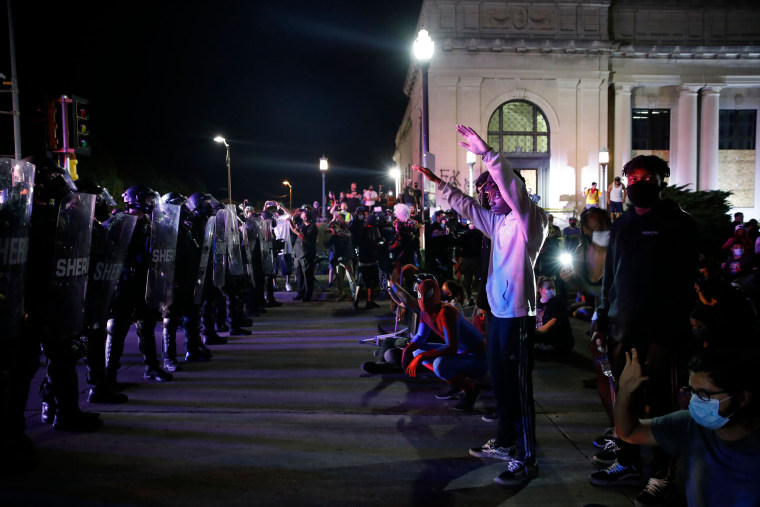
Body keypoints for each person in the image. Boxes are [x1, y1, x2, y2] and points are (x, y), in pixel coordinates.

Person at [414, 124, 547, 487]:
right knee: (502, 385)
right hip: (500, 315)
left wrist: (487, 155)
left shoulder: (529, 219)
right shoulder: (498, 222)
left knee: (519, 390)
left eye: (493, 186)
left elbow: (513, 192)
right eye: (486, 187)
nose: (487, 192)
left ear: (511, 188)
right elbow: (468, 207)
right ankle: (506, 442)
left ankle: (527, 457)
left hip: (519, 316)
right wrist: (438, 185)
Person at [590, 155, 698, 506]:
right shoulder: (622, 225)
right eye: (632, 178)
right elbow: (610, 278)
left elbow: (684, 285)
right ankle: (628, 460)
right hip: (624, 329)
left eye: (646, 177)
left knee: (664, 405)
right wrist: (602, 320)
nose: (638, 183)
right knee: (627, 399)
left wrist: (668, 337)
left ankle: (663, 473)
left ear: (662, 180)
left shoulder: (679, 223)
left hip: (661, 335)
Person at [614, 347, 760, 507]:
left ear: (743, 397)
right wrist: (625, 391)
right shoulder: (689, 425)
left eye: (704, 394)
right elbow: (629, 432)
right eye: (692, 392)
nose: (696, 402)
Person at [402, 279, 487, 411]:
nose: (423, 299)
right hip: (461, 353)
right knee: (416, 351)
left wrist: (422, 357)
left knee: (438, 364)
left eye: (428, 294)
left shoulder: (446, 312)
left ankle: (470, 389)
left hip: (477, 358)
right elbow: (421, 337)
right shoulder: (425, 313)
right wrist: (407, 349)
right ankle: (455, 383)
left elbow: (451, 348)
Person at [533, 277, 573, 355]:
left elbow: (553, 322)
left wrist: (534, 335)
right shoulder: (538, 303)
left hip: (558, 342)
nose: (552, 290)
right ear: (541, 290)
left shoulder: (557, 302)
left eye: (553, 288)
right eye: (549, 288)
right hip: (543, 338)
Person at [289, 207, 318, 302]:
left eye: (303, 215)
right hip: (297, 253)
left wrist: (297, 232)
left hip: (306, 254)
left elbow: (306, 239)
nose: (301, 216)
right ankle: (300, 292)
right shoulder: (302, 225)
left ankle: (308, 294)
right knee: (299, 274)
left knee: (307, 275)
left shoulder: (312, 227)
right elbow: (294, 231)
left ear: (307, 217)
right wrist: (290, 223)